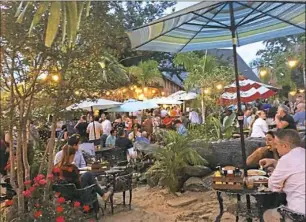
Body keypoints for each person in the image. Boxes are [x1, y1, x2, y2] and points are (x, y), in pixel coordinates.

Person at [260, 129, 305, 221]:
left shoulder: (286, 159)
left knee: (267, 215)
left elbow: (273, 187)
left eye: (276, 144)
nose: (275, 147)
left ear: (285, 145)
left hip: (299, 213)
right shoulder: (302, 153)